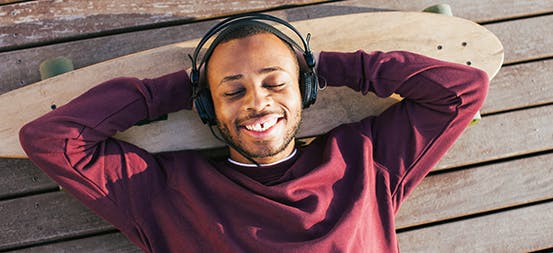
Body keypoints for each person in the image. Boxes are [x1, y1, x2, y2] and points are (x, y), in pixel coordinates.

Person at [19, 14, 488, 253]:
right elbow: (51, 137)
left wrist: (324, 66)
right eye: (232, 90)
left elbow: (462, 90)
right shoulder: (161, 192)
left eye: (275, 82)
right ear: (206, 106)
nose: (256, 102)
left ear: (303, 88)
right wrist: (179, 89)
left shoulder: (367, 160)